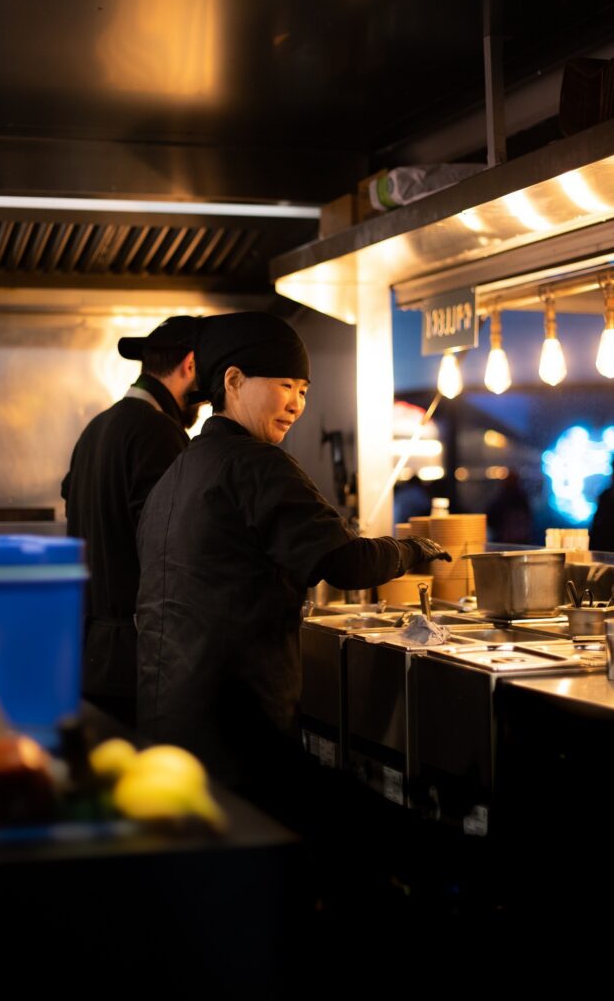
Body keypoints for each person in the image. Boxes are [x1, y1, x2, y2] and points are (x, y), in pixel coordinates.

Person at [136, 311, 451, 801]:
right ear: (234, 381)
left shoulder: (180, 469)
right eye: (285, 385)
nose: (297, 404)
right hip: (238, 727)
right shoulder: (256, 464)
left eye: (304, 390)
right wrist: (413, 548)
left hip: (167, 715)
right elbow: (346, 563)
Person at [62, 314, 198, 727]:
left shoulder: (96, 428)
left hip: (91, 656)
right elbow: (171, 551)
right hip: (137, 664)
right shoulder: (157, 433)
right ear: (191, 365)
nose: (204, 401)